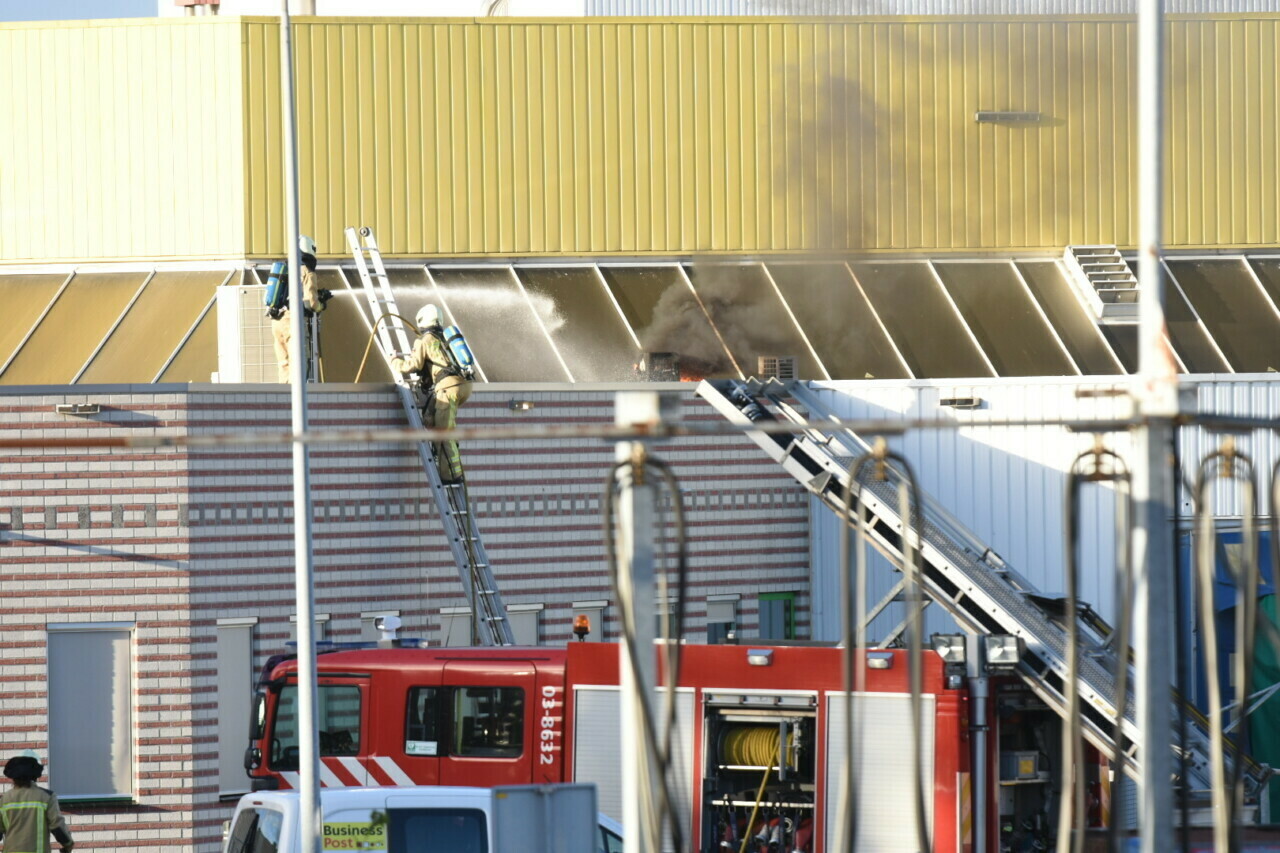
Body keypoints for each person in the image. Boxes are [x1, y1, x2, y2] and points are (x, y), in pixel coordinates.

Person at [391, 304, 473, 485]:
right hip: (462, 386)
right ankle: (447, 464)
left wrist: (395, 361)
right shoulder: (444, 337)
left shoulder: (424, 340)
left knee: (443, 434)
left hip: (448, 388)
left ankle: (451, 476)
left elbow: (413, 365)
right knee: (430, 417)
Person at [269, 234, 327, 384]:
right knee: (299, 363)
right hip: (293, 321)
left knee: (285, 363)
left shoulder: (287, 267)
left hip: (278, 320)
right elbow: (311, 303)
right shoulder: (307, 270)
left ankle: (284, 398)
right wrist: (322, 304)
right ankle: (298, 400)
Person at [0, 752, 74, 853]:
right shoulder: (46, 797)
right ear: (34, 775)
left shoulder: (4, 800)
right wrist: (68, 845)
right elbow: (57, 827)